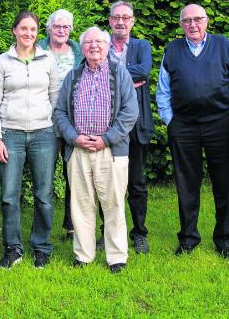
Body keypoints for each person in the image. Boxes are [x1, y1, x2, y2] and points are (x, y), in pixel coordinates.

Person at [156, 4, 229, 259]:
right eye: (187, 21)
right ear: (181, 24)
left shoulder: (225, 46)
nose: (193, 25)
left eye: (198, 20)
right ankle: (188, 238)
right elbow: (163, 88)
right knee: (186, 184)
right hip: (183, 125)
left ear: (206, 21)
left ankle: (225, 240)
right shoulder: (172, 50)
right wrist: (170, 120)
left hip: (220, 123)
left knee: (224, 183)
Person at [53, 26, 138, 273]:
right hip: (78, 150)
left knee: (113, 204)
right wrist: (74, 137)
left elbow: (130, 112)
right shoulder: (73, 75)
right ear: (83, 47)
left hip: (110, 150)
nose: (94, 47)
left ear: (108, 46)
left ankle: (117, 257)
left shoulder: (119, 74)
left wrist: (106, 139)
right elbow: (59, 112)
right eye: (89, 43)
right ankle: (83, 255)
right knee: (81, 205)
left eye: (99, 42)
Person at [0, 11, 58, 269]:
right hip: (11, 134)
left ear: (37, 33)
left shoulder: (47, 60)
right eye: (23, 28)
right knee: (9, 195)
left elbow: (56, 97)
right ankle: (13, 248)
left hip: (44, 134)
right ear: (14, 31)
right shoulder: (2, 61)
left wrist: (56, 134)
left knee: (44, 195)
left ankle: (41, 247)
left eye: (33, 29)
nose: (28, 33)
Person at [106, 0, 153, 254]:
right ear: (110, 21)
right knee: (107, 183)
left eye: (126, 17)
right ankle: (109, 231)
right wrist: (127, 79)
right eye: (116, 17)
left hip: (135, 126)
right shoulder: (101, 44)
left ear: (133, 21)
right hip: (105, 125)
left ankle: (139, 233)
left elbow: (144, 70)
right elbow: (94, 70)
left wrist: (112, 75)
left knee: (136, 182)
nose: (121, 21)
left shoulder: (141, 46)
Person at [38, 9, 82, 241]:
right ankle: (42, 228)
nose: (62, 31)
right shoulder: (38, 50)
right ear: (49, 28)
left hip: (73, 124)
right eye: (57, 27)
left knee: (74, 176)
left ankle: (72, 225)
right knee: (44, 177)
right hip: (45, 123)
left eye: (66, 27)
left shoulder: (78, 51)